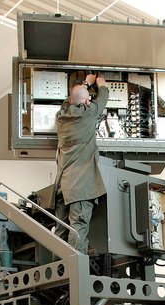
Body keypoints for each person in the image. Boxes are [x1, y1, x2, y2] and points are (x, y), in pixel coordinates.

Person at [54, 74, 109, 254]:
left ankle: (59, 273)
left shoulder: (61, 118)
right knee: (78, 229)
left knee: (61, 231)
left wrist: (85, 83)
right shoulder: (89, 113)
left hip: (63, 187)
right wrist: (101, 84)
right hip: (80, 188)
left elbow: (67, 102)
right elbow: (103, 98)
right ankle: (76, 276)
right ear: (87, 102)